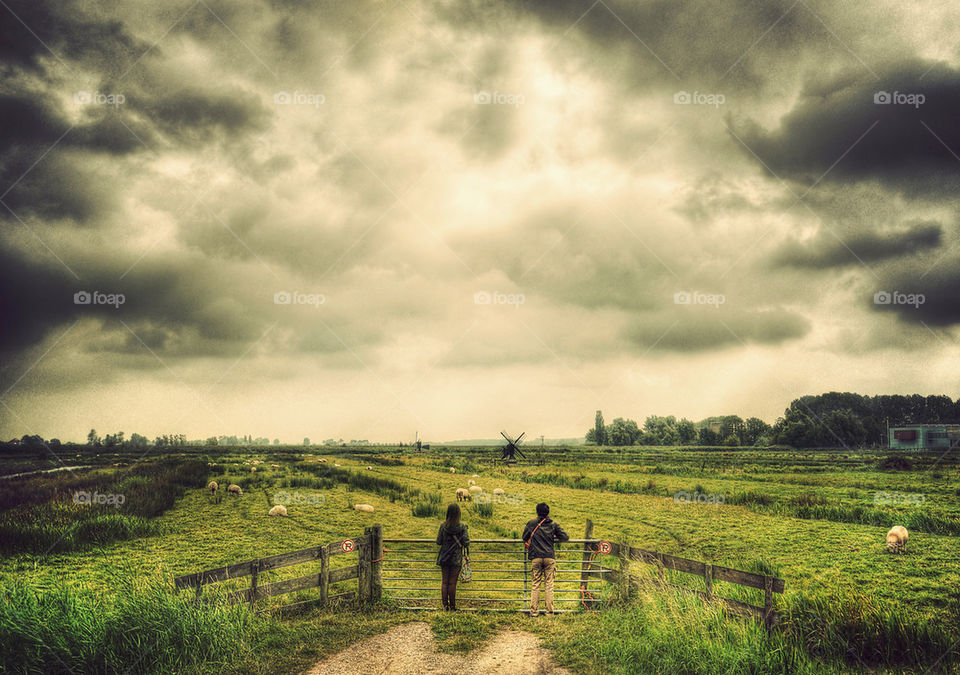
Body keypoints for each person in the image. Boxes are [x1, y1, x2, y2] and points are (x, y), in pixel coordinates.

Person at [522, 502, 569, 616]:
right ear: (548, 512)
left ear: (537, 512)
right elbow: (565, 537)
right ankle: (549, 611)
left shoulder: (532, 523)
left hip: (536, 557)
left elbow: (524, 537)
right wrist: (554, 537)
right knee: (549, 585)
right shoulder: (553, 524)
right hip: (549, 557)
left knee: (535, 584)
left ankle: (534, 611)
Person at [436, 503, 469, 611]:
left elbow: (438, 541)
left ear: (448, 513)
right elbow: (466, 543)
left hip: (444, 556)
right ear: (458, 513)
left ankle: (445, 606)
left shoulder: (443, 526)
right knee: (452, 583)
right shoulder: (463, 526)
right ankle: (453, 606)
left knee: (444, 582)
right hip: (456, 557)